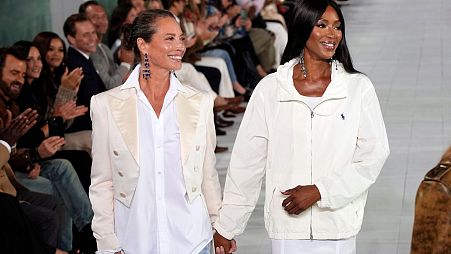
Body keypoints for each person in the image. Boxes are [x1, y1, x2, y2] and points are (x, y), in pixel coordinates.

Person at [213, 0, 390, 253]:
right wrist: (227, 226)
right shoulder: (271, 89)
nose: (333, 34)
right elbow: (247, 163)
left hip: (337, 225)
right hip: (287, 226)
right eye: (322, 25)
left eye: (337, 27)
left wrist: (321, 191)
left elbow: (373, 156)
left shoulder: (357, 88)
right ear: (303, 28)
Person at [89, 9, 225, 254]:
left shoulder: (199, 102)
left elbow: (207, 173)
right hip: (134, 241)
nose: (180, 46)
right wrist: (107, 242)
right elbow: (102, 182)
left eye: (181, 38)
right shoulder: (106, 105)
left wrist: (220, 227)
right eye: (169, 38)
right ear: (143, 45)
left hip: (192, 239)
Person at [79, 1, 134, 90]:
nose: (102, 21)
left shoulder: (104, 47)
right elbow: (109, 86)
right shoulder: (90, 52)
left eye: (104, 16)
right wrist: (126, 63)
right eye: (96, 17)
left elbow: (120, 78)